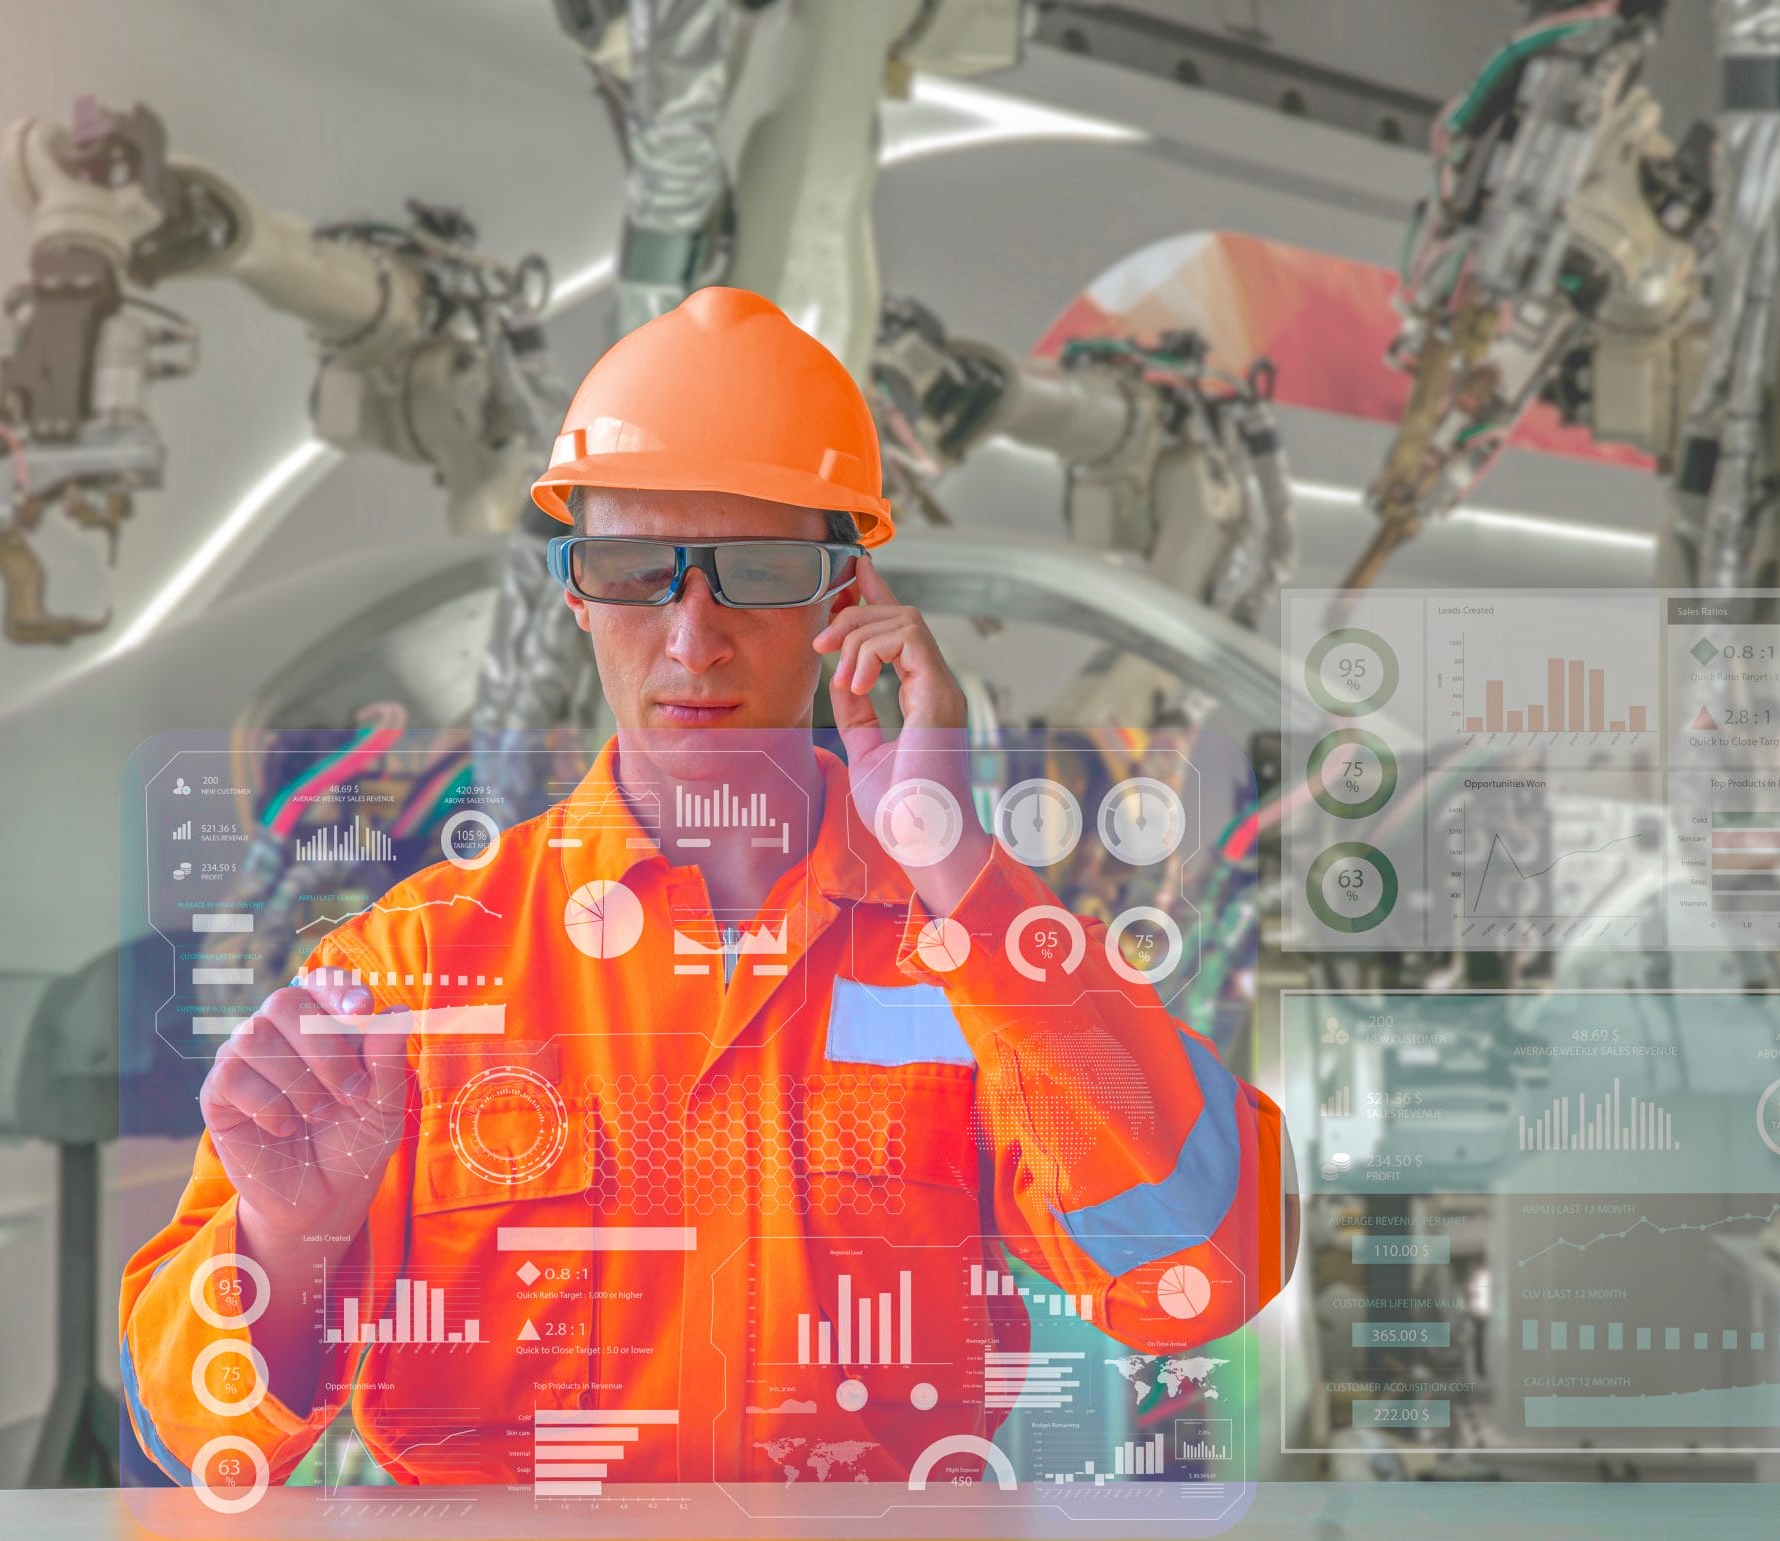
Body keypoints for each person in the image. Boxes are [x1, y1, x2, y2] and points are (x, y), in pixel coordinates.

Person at [120, 286, 1291, 1489]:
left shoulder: (974, 950)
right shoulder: (415, 967)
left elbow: (1203, 1268)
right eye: (634, 569)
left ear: (845, 595)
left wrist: (957, 864)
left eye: (760, 569)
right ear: (575, 590)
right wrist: (290, 1238)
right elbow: (191, 1430)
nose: (693, 637)